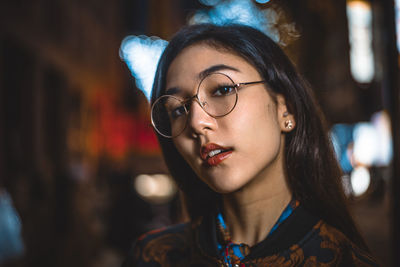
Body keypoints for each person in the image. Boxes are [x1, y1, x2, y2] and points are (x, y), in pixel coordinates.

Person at [122, 24, 379, 266]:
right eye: (178, 110)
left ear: (285, 108)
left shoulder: (342, 259)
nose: (197, 123)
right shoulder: (153, 257)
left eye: (222, 90)